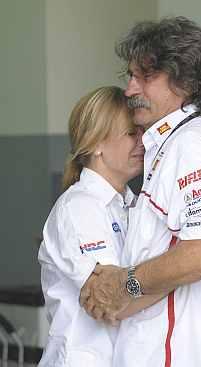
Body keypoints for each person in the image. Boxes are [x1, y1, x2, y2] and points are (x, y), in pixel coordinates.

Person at [80, 17, 201, 367]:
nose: (131, 90)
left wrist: (126, 284)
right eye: (130, 76)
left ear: (185, 80)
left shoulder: (189, 144)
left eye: (145, 77)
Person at [38, 86, 146, 366]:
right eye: (131, 133)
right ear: (95, 143)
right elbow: (112, 298)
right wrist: (192, 265)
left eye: (142, 131)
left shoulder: (134, 205)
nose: (143, 142)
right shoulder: (79, 208)